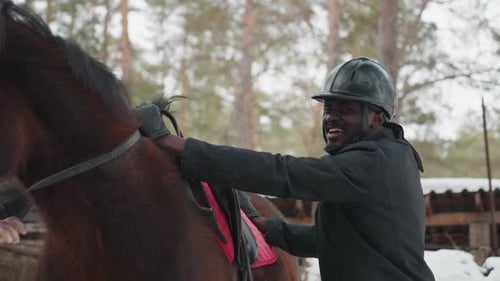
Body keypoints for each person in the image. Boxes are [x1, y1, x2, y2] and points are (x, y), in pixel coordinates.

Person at [152, 57, 436, 280]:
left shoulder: (374, 163)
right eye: (328, 109)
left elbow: (284, 172)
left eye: (346, 110)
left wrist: (185, 149)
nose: (332, 118)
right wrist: (276, 232)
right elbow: (338, 243)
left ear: (376, 118)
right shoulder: (387, 159)